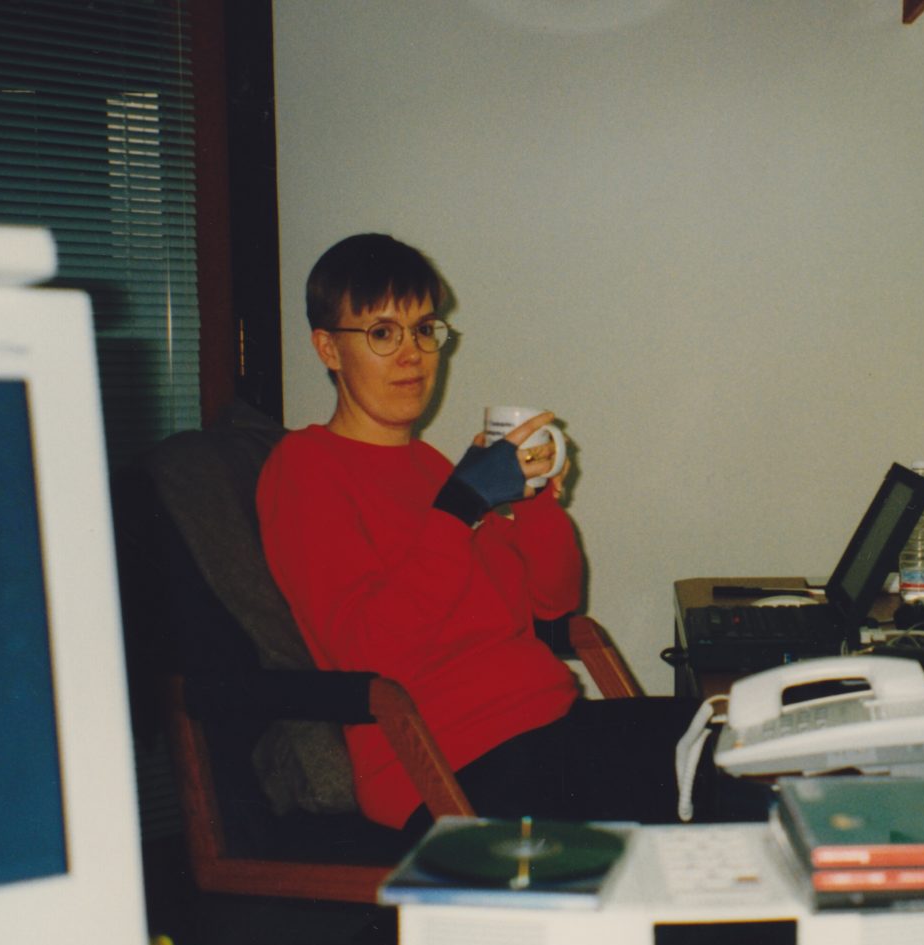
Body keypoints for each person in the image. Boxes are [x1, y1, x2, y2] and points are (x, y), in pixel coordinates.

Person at [257, 233, 761, 844]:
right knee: (732, 800)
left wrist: (536, 501)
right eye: (383, 333)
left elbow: (553, 602)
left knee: (755, 745)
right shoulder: (306, 468)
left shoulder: (431, 468)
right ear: (328, 349)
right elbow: (368, 653)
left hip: (545, 728)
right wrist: (462, 505)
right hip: (447, 766)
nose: (412, 355)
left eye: (424, 330)